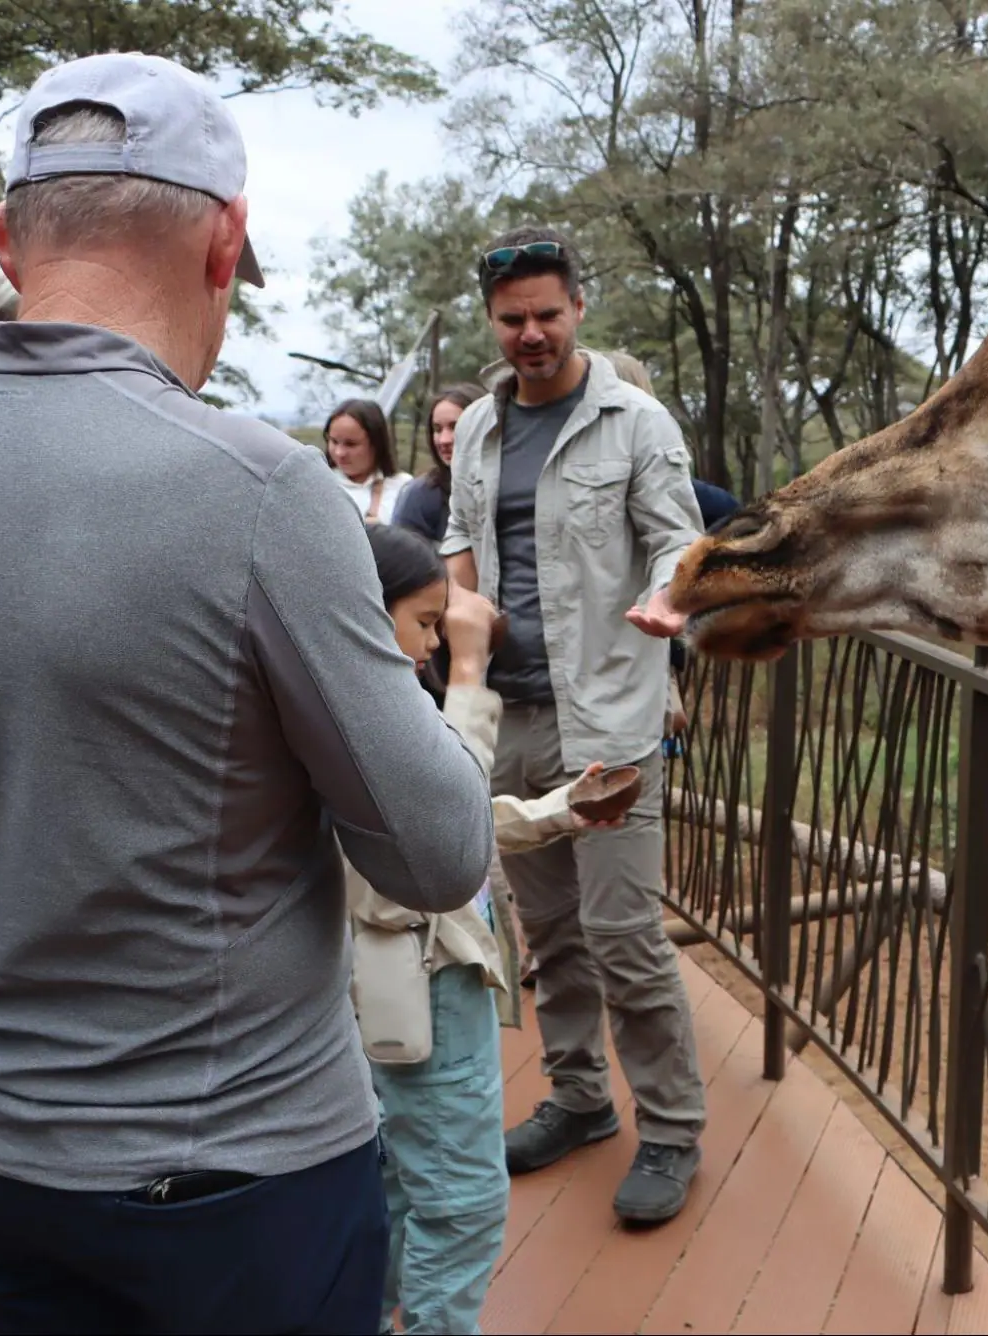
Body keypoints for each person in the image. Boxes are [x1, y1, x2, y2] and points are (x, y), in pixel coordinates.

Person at [0, 52, 494, 1335]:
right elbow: (441, 850)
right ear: (225, 246)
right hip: (248, 1176)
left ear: (8, 241)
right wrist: (458, 675)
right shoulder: (262, 493)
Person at [441, 225, 708, 1225]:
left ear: (579, 308)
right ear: (492, 322)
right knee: (548, 933)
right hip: (510, 716)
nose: (531, 335)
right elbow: (462, 542)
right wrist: (459, 626)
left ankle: (673, 1126)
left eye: (547, 315)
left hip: (611, 718)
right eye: (513, 320)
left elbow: (680, 542)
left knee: (623, 932)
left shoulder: (636, 422)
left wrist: (669, 602)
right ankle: (581, 1098)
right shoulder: (477, 428)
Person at [351, 523, 614, 1334]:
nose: (434, 640)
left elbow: (444, 818)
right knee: (461, 1201)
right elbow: (437, 835)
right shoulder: (367, 712)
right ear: (367, 607)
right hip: (421, 984)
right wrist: (469, 670)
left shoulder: (343, 702)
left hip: (398, 987)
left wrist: (554, 810)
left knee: (396, 1182)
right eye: (422, 620)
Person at [396, 384, 486, 544]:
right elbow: (405, 561)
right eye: (437, 429)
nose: (444, 440)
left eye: (455, 427)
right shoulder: (420, 495)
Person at [327, 397, 415, 524]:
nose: (339, 453)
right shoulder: (318, 486)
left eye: (351, 444)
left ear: (376, 444)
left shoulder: (404, 488)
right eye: (334, 442)